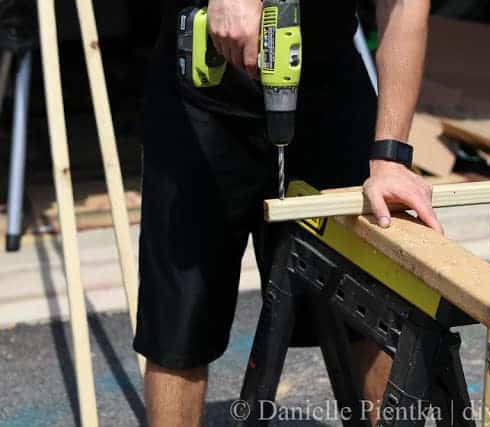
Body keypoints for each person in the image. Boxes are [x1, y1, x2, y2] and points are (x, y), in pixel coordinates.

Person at [133, 0, 441, 425]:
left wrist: (390, 156)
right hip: (204, 87)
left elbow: (404, 6)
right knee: (179, 321)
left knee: (371, 313)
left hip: (325, 78)